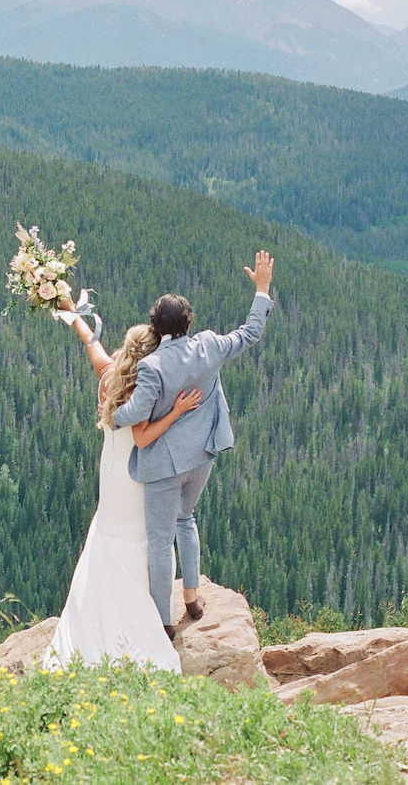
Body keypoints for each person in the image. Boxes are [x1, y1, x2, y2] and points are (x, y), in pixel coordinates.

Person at [113, 250, 274, 638]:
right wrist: (262, 288)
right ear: (188, 323)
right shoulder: (209, 346)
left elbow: (134, 414)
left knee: (158, 540)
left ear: (156, 326)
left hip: (164, 464)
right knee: (187, 521)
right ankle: (191, 597)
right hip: (203, 453)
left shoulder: (152, 366)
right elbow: (250, 333)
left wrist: (109, 413)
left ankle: (161, 621)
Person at [44, 307, 204, 672]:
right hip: (135, 474)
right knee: (144, 537)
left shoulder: (109, 377)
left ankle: (98, 605)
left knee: (109, 532)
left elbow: (91, 342)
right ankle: (144, 611)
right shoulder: (141, 392)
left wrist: (71, 311)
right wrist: (178, 411)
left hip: (110, 472)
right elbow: (143, 437)